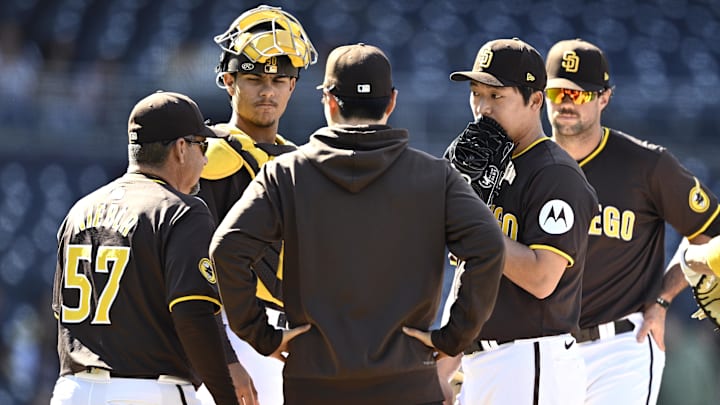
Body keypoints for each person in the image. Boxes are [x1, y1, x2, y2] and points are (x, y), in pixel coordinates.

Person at [210, 43, 506, 405]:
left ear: (329, 101)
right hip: (407, 383)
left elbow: (227, 249)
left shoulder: (286, 174)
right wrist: (453, 337)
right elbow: (488, 246)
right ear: (392, 102)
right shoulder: (434, 176)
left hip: (315, 384)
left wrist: (261, 336)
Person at [545, 38, 720, 405]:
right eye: (557, 91)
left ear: (604, 98)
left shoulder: (645, 166)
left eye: (578, 94)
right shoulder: (525, 168)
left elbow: (711, 235)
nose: (565, 102)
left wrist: (664, 296)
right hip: (541, 350)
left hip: (620, 348)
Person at [435, 38, 599, 405]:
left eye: (497, 97)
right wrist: (444, 365)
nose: (482, 108)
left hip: (532, 361)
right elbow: (471, 273)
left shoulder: (555, 174)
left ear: (535, 100)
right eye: (476, 94)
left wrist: (471, 220)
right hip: (482, 362)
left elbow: (542, 278)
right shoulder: (484, 171)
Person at [50, 91, 241, 405]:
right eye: (201, 145)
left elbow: (62, 315)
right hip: (149, 391)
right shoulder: (181, 210)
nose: (205, 159)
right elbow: (193, 314)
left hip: (73, 392)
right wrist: (226, 398)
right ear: (181, 148)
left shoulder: (78, 212)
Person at [194, 5, 317, 405]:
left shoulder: (301, 160)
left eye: (280, 79)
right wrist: (223, 359)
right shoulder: (206, 158)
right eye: (253, 78)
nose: (268, 90)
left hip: (293, 337)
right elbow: (192, 271)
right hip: (234, 333)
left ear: (293, 86)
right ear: (228, 81)